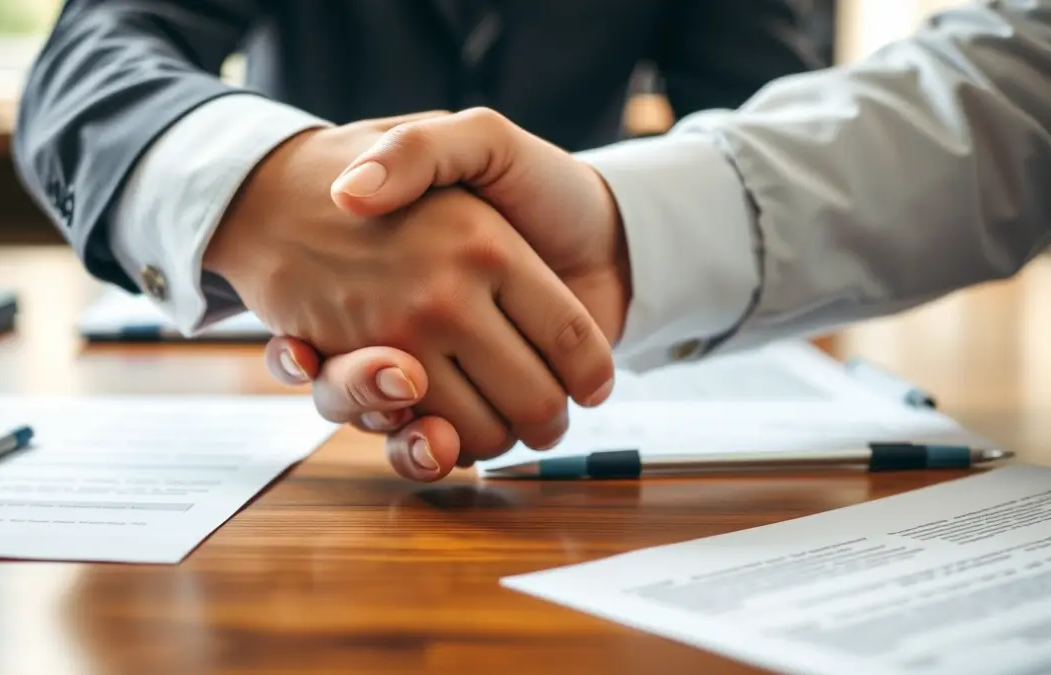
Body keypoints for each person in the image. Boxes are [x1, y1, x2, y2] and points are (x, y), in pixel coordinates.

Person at [266, 0, 1051, 481]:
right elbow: (137, 35)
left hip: (563, 307)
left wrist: (621, 237)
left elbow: (1015, 93)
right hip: (286, 312)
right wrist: (258, 194)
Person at [12, 2, 821, 469]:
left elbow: (770, 128)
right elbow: (91, 56)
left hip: (579, 337)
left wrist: (626, 239)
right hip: (292, 369)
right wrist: (257, 190)